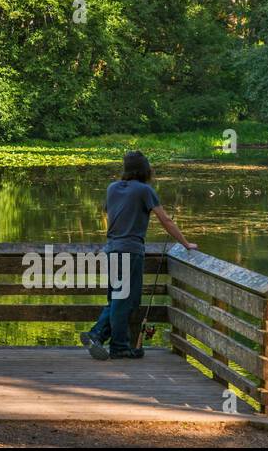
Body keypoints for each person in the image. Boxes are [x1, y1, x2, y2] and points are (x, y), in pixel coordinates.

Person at [81, 151, 197, 360]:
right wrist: (186, 243)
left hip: (112, 249)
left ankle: (109, 340)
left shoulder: (112, 188)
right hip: (130, 250)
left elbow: (112, 214)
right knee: (125, 300)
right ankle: (107, 340)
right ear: (145, 170)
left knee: (118, 298)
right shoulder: (145, 191)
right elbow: (166, 221)